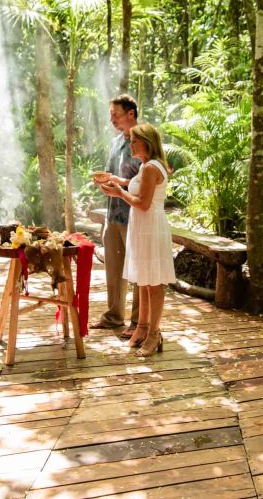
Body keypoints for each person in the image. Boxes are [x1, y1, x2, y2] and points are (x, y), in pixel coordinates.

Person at [99, 123, 174, 357]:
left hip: (150, 226)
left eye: (134, 141)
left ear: (147, 143)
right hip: (143, 226)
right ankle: (141, 328)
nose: (130, 145)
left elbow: (143, 202)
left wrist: (119, 193)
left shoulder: (151, 167)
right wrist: (119, 182)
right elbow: (138, 187)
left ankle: (154, 334)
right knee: (143, 280)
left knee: (154, 283)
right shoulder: (146, 166)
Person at [90, 94, 142, 338]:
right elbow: (111, 173)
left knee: (139, 270)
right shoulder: (115, 142)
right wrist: (105, 183)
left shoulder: (144, 140)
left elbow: (148, 178)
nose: (111, 119)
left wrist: (119, 185)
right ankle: (113, 316)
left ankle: (139, 322)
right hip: (113, 214)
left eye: (116, 114)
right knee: (114, 267)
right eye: (110, 114)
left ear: (131, 113)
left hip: (136, 214)